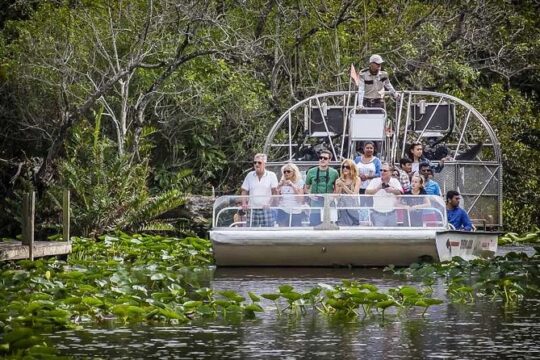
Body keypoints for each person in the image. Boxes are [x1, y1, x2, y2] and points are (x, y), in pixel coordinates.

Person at [240, 153, 279, 227]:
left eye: (259, 162)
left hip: (267, 209)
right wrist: (244, 203)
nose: (256, 164)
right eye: (255, 162)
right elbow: (244, 190)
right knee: (251, 233)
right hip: (252, 209)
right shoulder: (249, 175)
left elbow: (275, 192)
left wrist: (270, 204)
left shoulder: (272, 175)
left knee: (267, 233)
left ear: (265, 164)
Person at [304, 149, 339, 225]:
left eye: (325, 158)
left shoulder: (334, 172)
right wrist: (310, 195)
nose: (322, 160)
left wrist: (332, 198)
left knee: (331, 228)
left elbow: (337, 189)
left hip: (329, 204)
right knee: (314, 227)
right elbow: (306, 187)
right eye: (321, 157)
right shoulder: (311, 171)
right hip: (315, 205)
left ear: (329, 160)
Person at [334, 159, 361, 226]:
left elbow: (354, 196)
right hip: (342, 208)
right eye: (343, 167)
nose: (345, 169)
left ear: (352, 168)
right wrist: (340, 186)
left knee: (354, 229)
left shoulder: (356, 179)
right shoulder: (339, 180)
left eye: (347, 167)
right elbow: (337, 197)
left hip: (353, 208)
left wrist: (343, 186)